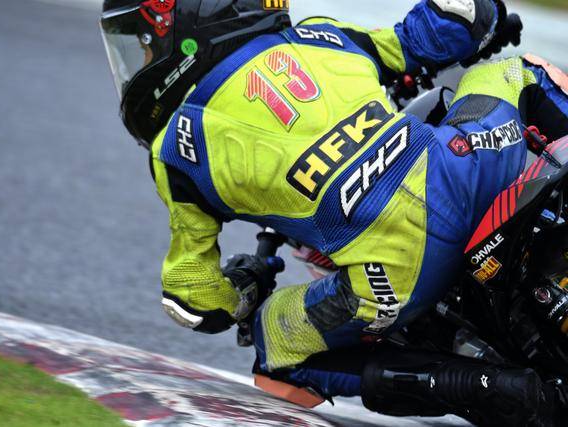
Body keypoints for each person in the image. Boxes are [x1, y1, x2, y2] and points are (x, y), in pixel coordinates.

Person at [100, 0, 568, 424]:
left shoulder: (175, 151)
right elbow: (448, 21)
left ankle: (489, 387)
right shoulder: (320, 36)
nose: (140, 64)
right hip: (468, 162)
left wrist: (247, 287)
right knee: (516, 73)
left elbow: (193, 298)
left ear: (185, 28)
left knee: (275, 346)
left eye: (144, 46)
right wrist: (487, 19)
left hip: (392, 275)